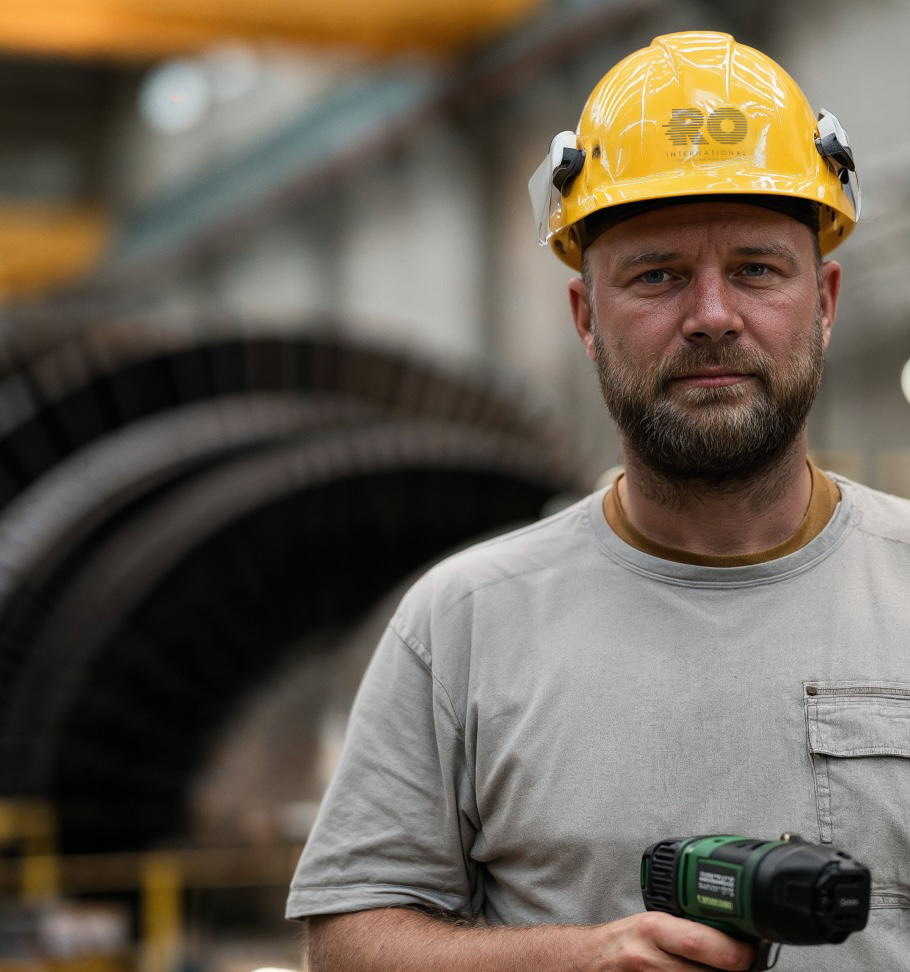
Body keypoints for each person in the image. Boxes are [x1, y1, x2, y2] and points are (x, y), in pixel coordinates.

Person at [286, 31, 909, 971]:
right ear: (585, 317)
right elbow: (345, 944)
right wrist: (576, 960)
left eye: (756, 269)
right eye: (657, 275)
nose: (710, 315)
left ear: (823, 300)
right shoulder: (462, 624)